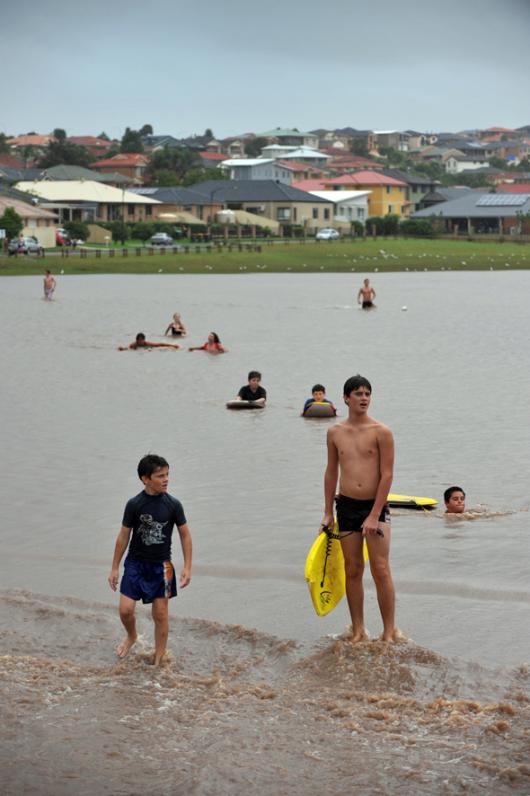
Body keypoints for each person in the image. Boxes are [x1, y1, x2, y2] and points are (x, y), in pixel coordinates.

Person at [322, 374, 398, 643]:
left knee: (381, 569)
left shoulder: (381, 432)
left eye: (367, 394)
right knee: (352, 569)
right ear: (346, 398)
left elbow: (387, 475)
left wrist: (375, 514)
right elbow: (331, 472)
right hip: (346, 506)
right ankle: (358, 630)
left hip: (375, 507)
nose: (364, 398)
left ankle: (389, 631)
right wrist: (328, 511)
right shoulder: (335, 433)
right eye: (358, 394)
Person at [108, 454, 192, 666]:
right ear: (145, 479)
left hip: (162, 567)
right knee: (125, 610)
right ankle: (132, 636)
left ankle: (158, 660)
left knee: (161, 614)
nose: (166, 479)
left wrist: (187, 567)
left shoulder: (173, 505)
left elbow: (185, 535)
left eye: (167, 475)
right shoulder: (134, 504)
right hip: (135, 564)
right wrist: (114, 568)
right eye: (160, 476)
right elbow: (123, 536)